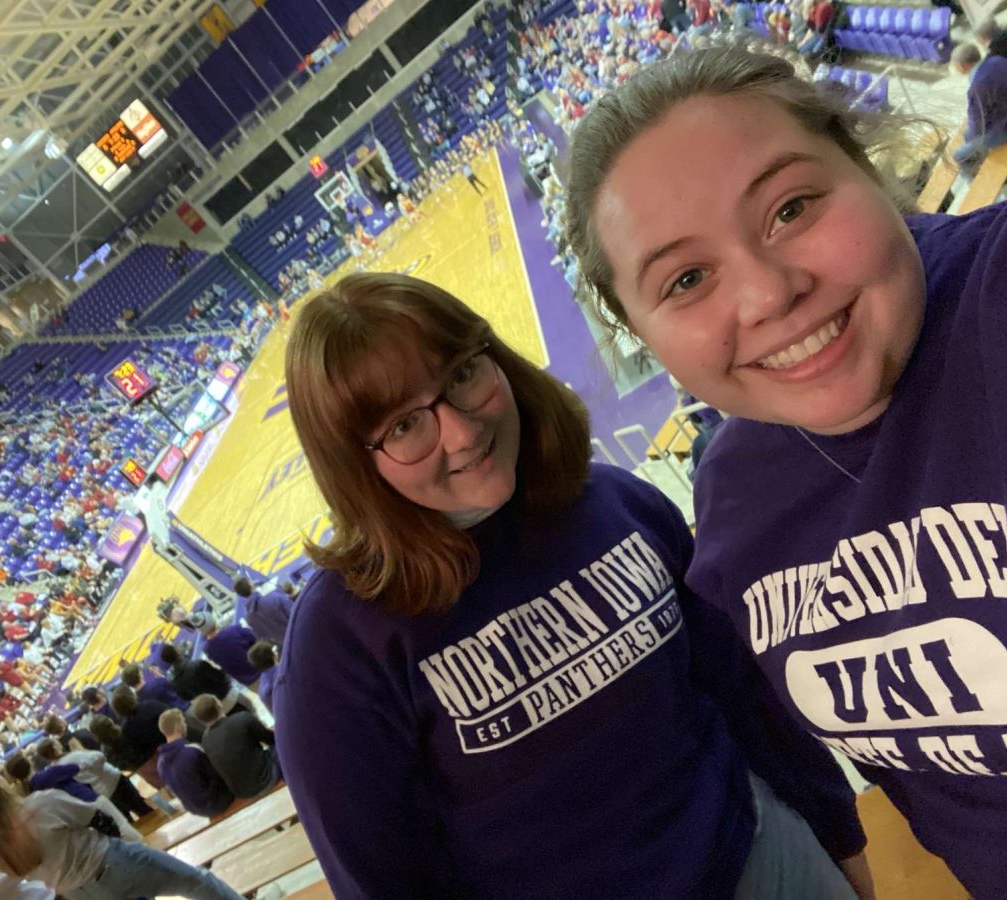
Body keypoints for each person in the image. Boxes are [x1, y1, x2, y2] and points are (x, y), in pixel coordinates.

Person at [563, 45, 1007, 897]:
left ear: (861, 162)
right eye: (689, 277)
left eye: (791, 208)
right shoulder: (733, 508)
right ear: (641, 333)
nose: (768, 294)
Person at [277, 271, 866, 897]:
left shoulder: (617, 503)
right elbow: (389, 884)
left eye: (460, 375)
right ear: (353, 464)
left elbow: (746, 696)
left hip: (763, 859)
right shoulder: (336, 651)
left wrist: (839, 836)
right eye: (402, 427)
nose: (463, 431)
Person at [0, 768, 241, 899]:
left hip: (82, 894)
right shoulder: (41, 805)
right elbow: (96, 817)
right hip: (113, 863)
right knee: (197, 882)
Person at [190, 695, 279, 800]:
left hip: (242, 792)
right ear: (219, 704)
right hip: (267, 778)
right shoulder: (242, 718)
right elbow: (272, 740)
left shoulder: (205, 740)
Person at [949, 42, 1007, 169]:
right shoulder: (999, 60)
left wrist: (971, 140)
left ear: (962, 66)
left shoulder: (977, 86)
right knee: (970, 136)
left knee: (958, 155)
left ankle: (974, 179)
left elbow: (977, 125)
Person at [155, 709, 235, 817]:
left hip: (195, 810)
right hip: (219, 801)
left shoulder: (160, 764)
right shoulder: (192, 750)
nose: (185, 725)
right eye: (183, 722)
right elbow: (218, 772)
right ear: (178, 727)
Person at [232, 578, 292, 647]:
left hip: (286, 646)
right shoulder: (274, 598)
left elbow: (263, 639)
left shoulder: (250, 619)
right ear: (251, 585)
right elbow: (295, 614)